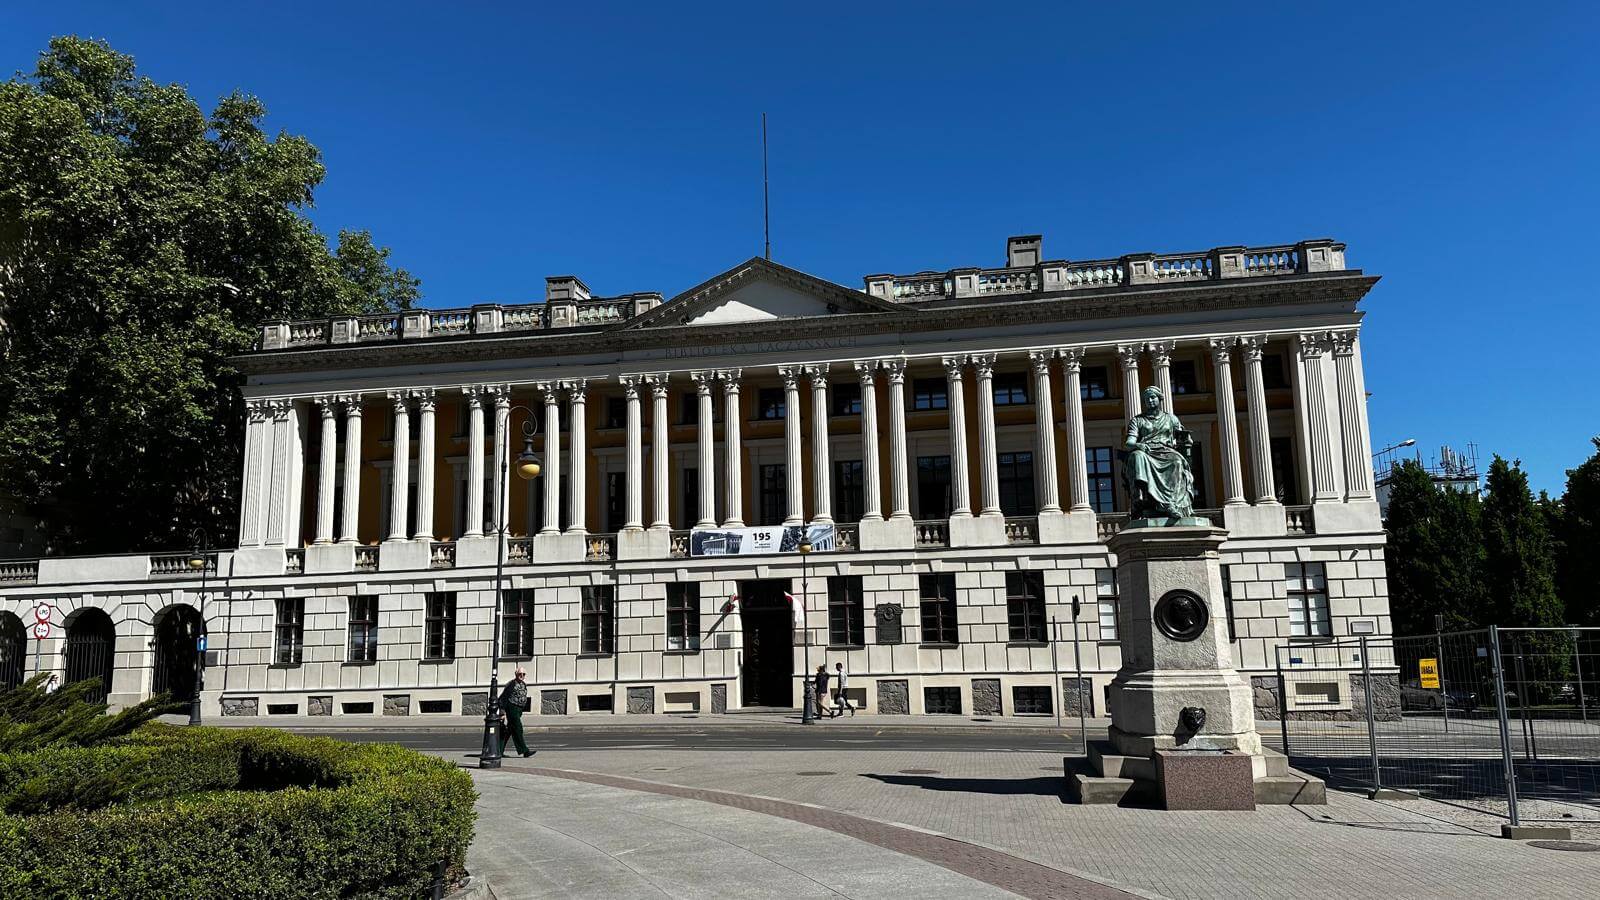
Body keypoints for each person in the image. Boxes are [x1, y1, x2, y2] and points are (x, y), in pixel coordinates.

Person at [1121, 385, 1198, 520]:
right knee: (1137, 456)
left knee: (1176, 461)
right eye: (1147, 399)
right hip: (1147, 452)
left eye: (1152, 397)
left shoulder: (1171, 419)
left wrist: (1187, 440)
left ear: (1159, 399)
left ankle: (1171, 504)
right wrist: (1138, 445)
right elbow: (1129, 443)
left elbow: (1182, 437)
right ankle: (1143, 500)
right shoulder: (1137, 420)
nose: (1150, 401)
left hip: (1166, 451)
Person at [498, 666, 533, 758]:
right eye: (520, 674)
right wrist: (502, 712)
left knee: (509, 730)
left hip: (518, 709)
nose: (522, 676)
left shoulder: (523, 684)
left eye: (523, 674)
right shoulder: (511, 684)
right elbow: (503, 698)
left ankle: (499, 751)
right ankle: (524, 751)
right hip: (511, 708)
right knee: (518, 728)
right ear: (516, 674)